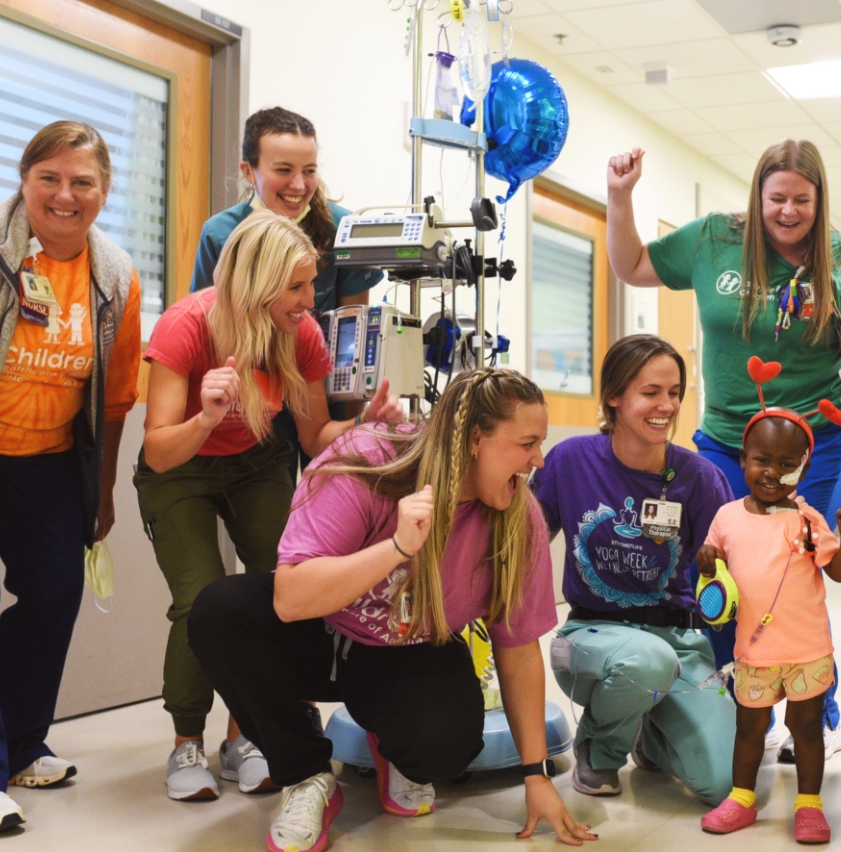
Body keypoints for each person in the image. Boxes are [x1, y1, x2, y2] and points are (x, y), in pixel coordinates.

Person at [188, 368, 599, 850]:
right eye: (528, 443)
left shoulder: (517, 516)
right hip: (319, 632)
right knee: (219, 611)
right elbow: (291, 597)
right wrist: (399, 548)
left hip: (407, 649)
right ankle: (307, 777)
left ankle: (395, 750)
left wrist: (536, 776)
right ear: (474, 440)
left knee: (447, 748)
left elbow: (520, 650)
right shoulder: (368, 460)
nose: (539, 459)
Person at [607, 139, 841, 759]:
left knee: (799, 564)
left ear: (819, 201)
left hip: (817, 435)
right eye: (777, 198)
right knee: (719, 564)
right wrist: (620, 194)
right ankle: (743, 706)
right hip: (727, 437)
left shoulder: (840, 259)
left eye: (802, 199)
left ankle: (815, 704)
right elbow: (632, 264)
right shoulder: (715, 238)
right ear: (757, 196)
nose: (789, 211)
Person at [0, 121, 141, 836]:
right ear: (24, 179)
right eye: (50, 177)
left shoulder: (114, 276)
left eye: (83, 182)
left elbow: (113, 398)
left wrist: (101, 493)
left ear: (104, 193)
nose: (65, 195)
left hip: (46, 461)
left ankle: (15, 746)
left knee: (54, 589)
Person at [135, 211, 397, 802]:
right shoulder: (186, 328)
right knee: (200, 596)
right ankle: (186, 741)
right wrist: (204, 417)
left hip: (255, 463)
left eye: (311, 284)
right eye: (298, 287)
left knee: (282, 588)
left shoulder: (300, 334)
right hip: (181, 466)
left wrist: (364, 427)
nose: (310, 300)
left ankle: (245, 737)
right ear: (256, 283)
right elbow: (157, 449)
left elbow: (312, 438)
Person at [531, 334, 736, 804]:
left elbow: (731, 574)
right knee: (646, 661)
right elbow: (527, 540)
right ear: (614, 397)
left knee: (720, 783)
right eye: (650, 393)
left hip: (679, 643)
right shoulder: (569, 460)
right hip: (590, 638)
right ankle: (599, 748)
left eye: (675, 392)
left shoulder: (700, 478)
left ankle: (653, 736)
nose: (666, 405)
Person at [693, 402, 841, 844]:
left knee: (806, 730)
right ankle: (741, 798)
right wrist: (706, 561)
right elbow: (714, 575)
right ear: (743, 458)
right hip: (754, 653)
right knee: (749, 729)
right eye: (761, 460)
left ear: (803, 470)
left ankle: (809, 806)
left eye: (787, 465)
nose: (772, 472)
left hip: (806, 651)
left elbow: (839, 572)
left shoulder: (807, 520)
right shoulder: (727, 517)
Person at [191, 106, 382, 478]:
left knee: (330, 507)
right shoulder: (221, 234)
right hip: (254, 392)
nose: (298, 185)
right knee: (269, 516)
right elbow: (209, 329)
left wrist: (354, 427)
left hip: (326, 389)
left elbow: (354, 332)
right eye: (283, 170)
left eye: (309, 171)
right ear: (249, 171)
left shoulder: (342, 229)